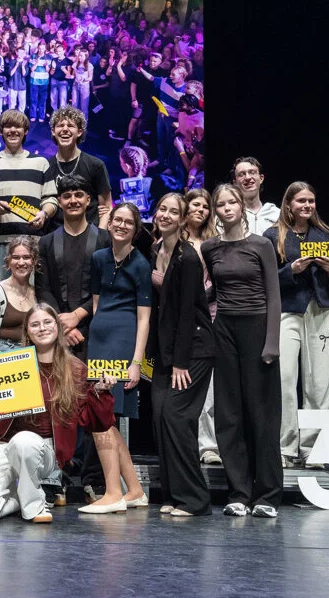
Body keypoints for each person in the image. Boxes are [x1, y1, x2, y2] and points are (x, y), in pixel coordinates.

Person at [0, 304, 128, 523]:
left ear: (58, 326)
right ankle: (20, 498)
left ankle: (34, 507)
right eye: (35, 324)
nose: (42, 328)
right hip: (2, 444)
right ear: (27, 331)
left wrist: (101, 393)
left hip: (44, 449)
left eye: (48, 322)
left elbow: (97, 423)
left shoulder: (75, 369)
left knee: (24, 441)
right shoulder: (10, 364)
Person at [199, 184, 283, 518]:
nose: (227, 207)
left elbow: (274, 295)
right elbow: (213, 294)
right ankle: (239, 491)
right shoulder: (210, 248)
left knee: (262, 415)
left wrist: (272, 343)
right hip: (225, 332)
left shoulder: (261, 244)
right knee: (229, 413)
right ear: (215, 211)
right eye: (220, 204)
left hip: (258, 328)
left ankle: (267, 494)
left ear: (241, 206)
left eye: (232, 201)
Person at [261, 182, 329, 468]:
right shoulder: (273, 236)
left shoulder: (325, 235)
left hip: (321, 311)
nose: (307, 205)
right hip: (287, 310)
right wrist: (289, 271)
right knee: (284, 380)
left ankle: (314, 449)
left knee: (319, 383)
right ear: (288, 204)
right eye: (301, 201)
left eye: (311, 200)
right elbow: (263, 277)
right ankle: (284, 447)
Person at [148, 193, 215, 516]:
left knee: (177, 418)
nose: (166, 215)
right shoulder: (155, 250)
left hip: (194, 351)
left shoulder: (187, 257)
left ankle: (195, 499)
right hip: (166, 350)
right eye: (163, 208)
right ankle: (173, 494)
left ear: (183, 219)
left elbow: (188, 312)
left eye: (174, 212)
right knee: (161, 419)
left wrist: (180, 362)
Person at [36, 175, 111, 362]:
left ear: (88, 200)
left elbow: (108, 285)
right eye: (67, 196)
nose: (73, 201)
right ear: (59, 202)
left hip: (96, 327)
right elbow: (43, 288)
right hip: (59, 331)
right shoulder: (47, 242)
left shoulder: (105, 239)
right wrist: (63, 325)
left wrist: (77, 316)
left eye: (78, 195)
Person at [0, 110, 57, 291]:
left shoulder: (41, 162)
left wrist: (44, 213)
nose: (13, 130)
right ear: (0, 131)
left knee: (30, 305)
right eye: (8, 126)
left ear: (26, 131)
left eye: (18, 126)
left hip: (31, 243)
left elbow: (51, 199)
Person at [89, 203, 152, 420]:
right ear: (110, 222)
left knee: (115, 410)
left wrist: (136, 363)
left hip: (124, 341)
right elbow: (96, 302)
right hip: (98, 341)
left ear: (136, 230)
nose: (122, 225)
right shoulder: (98, 258)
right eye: (118, 220)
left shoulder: (142, 264)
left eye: (128, 222)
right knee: (96, 406)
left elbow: (144, 318)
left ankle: (120, 455)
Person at [183, 188, 221, 465]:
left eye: (206, 207)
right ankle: (185, 443)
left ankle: (208, 445)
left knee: (210, 386)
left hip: (212, 314)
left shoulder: (214, 241)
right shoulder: (172, 238)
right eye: (195, 205)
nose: (201, 210)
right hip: (183, 318)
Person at [49, 106, 112, 227]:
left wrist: (100, 237)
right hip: (57, 237)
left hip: (90, 238)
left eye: (71, 126)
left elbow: (106, 208)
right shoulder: (46, 167)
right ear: (53, 131)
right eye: (60, 125)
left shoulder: (95, 165)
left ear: (79, 132)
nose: (65, 129)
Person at [0, 237, 40, 353]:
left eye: (26, 257)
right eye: (16, 258)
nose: (21, 262)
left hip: (31, 353)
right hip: (2, 352)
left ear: (34, 260)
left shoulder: (39, 294)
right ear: (8, 261)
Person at [230, 157, 279, 235]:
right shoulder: (229, 215)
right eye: (241, 174)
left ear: (261, 178)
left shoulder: (276, 214)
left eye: (252, 172)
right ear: (235, 183)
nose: (248, 177)